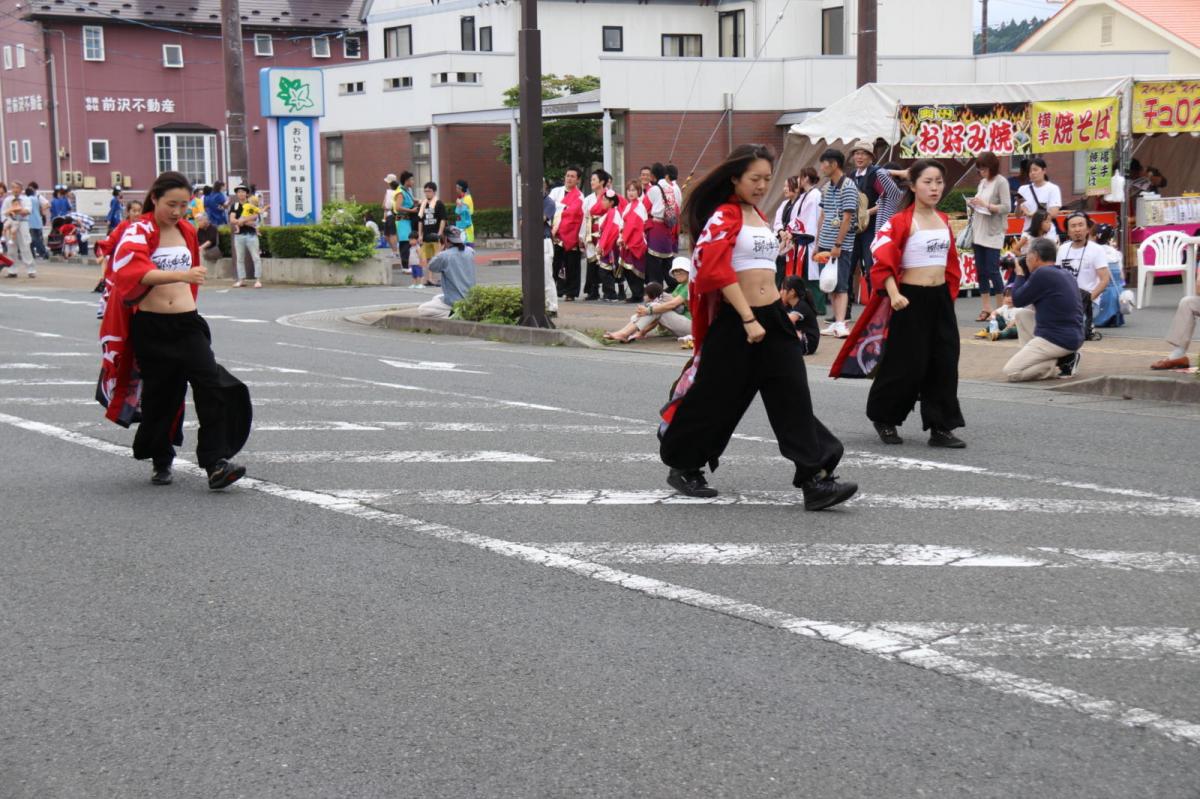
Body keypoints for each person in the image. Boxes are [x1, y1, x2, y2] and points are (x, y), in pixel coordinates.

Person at [658, 143, 856, 511]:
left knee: (792, 395)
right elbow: (716, 271)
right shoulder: (723, 215)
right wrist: (748, 318)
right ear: (734, 178)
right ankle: (684, 462)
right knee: (717, 397)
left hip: (773, 318)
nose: (763, 184)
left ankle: (814, 478)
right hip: (737, 321)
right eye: (755, 178)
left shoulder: (757, 215)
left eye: (767, 178)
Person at [98, 170, 251, 489]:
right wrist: (180, 276)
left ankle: (215, 462)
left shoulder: (186, 230)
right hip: (152, 327)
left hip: (187, 323)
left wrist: (185, 279)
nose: (178, 211)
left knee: (211, 384)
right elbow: (132, 271)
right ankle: (161, 457)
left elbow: (191, 272)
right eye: (172, 204)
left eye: (184, 204)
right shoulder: (137, 230)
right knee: (162, 396)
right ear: (154, 198)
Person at [832, 159, 964, 448]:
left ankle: (941, 426)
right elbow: (882, 260)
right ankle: (885, 417)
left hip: (939, 299)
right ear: (913, 185)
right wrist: (894, 294)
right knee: (906, 363)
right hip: (908, 299)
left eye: (938, 182)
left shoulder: (942, 219)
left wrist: (948, 297)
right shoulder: (901, 221)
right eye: (927, 182)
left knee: (944, 361)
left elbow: (951, 264)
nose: (934, 187)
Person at [1003, 237, 1084, 381]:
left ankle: (1058, 366)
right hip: (1072, 335)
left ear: (1035, 256)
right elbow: (1024, 302)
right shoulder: (1064, 273)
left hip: (1057, 338)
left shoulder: (1042, 274)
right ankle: (1062, 357)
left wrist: (1020, 274)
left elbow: (1017, 299)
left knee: (1012, 372)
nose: (1025, 259)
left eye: (1027, 256)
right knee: (1022, 315)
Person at [847, 139, 905, 298]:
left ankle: (875, 303)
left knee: (872, 265)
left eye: (863, 154)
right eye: (857, 153)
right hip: (854, 229)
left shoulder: (876, 175)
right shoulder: (851, 176)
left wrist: (866, 214)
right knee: (848, 267)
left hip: (872, 228)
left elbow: (885, 201)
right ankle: (845, 310)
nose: (859, 157)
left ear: (871, 157)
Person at [816, 148, 859, 338]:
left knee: (840, 284)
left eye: (824, 163)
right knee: (830, 283)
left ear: (833, 164)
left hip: (840, 246)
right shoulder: (827, 186)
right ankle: (836, 323)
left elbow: (847, 218)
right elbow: (823, 215)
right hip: (825, 243)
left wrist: (838, 245)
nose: (822, 168)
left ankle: (841, 323)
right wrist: (817, 243)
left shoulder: (848, 186)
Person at [968, 151, 1012, 321]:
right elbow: (980, 202)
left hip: (993, 232)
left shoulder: (1001, 182)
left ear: (992, 167)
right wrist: (973, 203)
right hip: (979, 230)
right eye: (979, 169)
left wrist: (987, 205)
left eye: (983, 168)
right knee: (981, 272)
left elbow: (1007, 207)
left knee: (993, 270)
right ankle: (986, 307)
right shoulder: (982, 183)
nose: (981, 172)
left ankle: (1001, 309)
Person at [1056, 211, 1109, 341]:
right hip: (1065, 301)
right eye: (1073, 226)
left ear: (1087, 229)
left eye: (1081, 225)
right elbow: (1057, 277)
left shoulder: (1097, 250)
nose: (1077, 229)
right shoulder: (1062, 249)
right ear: (1067, 231)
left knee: (1071, 330)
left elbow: (1104, 280)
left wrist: (1088, 300)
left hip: (1088, 303)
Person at [416, 226, 476, 318]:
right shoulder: (470, 251)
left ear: (446, 239)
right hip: (470, 298)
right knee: (436, 298)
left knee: (422, 309)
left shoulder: (444, 256)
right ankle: (457, 311)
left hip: (455, 301)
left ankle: (453, 315)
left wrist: (438, 250)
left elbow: (431, 266)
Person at [550, 167, 585, 300]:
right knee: (556, 264)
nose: (569, 178)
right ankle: (556, 290)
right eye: (567, 175)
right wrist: (563, 209)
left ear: (577, 180)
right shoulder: (555, 192)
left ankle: (571, 292)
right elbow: (550, 208)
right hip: (556, 234)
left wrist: (561, 208)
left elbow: (575, 215)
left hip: (572, 234)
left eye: (572, 176)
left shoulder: (579, 196)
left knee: (572, 265)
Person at [643, 162, 678, 287]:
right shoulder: (671, 188)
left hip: (656, 226)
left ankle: (656, 288)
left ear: (653, 176)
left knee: (654, 260)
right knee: (667, 259)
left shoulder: (654, 189)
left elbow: (645, 207)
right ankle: (674, 285)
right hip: (668, 225)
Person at [618, 180, 648, 305]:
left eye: (633, 190)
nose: (631, 192)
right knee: (628, 269)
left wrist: (624, 239)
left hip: (635, 241)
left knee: (634, 269)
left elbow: (633, 225)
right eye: (629, 190)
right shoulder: (630, 205)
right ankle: (636, 293)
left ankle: (638, 294)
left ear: (639, 191)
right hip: (628, 239)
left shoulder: (638, 206)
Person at [1016, 157, 1061, 233]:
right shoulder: (1022, 189)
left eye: (1035, 170)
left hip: (1046, 233)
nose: (1032, 173)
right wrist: (1019, 204)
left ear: (1044, 170)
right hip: (1028, 232)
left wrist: (1030, 214)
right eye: (1030, 171)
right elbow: (1018, 215)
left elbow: (1053, 213)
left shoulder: (1053, 188)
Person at [229, 185, 263, 289]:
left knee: (256, 257)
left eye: (243, 192)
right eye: (239, 192)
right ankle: (241, 280)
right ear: (237, 194)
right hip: (239, 236)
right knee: (239, 258)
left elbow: (255, 217)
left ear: (246, 193)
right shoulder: (234, 206)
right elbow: (232, 220)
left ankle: (258, 280)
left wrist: (242, 221)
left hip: (251, 235)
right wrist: (245, 221)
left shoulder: (251, 204)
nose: (241, 194)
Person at [415, 181, 446, 288]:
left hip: (435, 235)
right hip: (426, 235)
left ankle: (437, 278)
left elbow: (443, 219)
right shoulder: (423, 204)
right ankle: (428, 278)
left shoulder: (439, 204)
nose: (427, 193)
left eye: (429, 191)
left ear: (434, 191)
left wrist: (440, 233)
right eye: (425, 191)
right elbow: (420, 221)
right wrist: (419, 235)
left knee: (436, 257)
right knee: (427, 258)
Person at [780, 275, 820, 355]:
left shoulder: (802, 305)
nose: (780, 292)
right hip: (799, 337)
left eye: (783, 289)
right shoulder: (789, 305)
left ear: (792, 292)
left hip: (808, 343)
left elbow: (786, 320)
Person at [2, 181, 35, 278]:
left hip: (22, 223)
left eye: (17, 188)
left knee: (25, 246)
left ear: (21, 189)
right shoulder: (8, 200)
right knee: (11, 248)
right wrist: (5, 221)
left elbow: (27, 211)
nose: (15, 190)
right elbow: (3, 212)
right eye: (13, 188)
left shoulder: (26, 199)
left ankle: (31, 270)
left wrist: (16, 209)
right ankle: (12, 270)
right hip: (10, 223)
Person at [541, 179, 559, 317]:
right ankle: (541, 305)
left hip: (544, 241)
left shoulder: (548, 202)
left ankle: (552, 306)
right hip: (533, 242)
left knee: (547, 275)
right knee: (534, 276)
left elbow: (540, 219)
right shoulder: (530, 201)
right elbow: (523, 222)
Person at [395, 171, 417, 272]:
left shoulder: (408, 190)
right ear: (406, 181)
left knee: (408, 241)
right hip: (402, 220)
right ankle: (405, 266)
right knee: (405, 242)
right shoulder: (400, 192)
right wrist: (411, 210)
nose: (413, 181)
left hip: (408, 220)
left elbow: (411, 201)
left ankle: (407, 265)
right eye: (412, 179)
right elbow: (398, 207)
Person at [26, 183, 50, 259]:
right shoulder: (36, 198)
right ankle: (31, 254)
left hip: (30, 222)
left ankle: (44, 253)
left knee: (34, 239)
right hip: (38, 221)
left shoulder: (27, 199)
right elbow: (45, 205)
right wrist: (42, 210)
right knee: (35, 239)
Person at [382, 173, 400, 258]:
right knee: (387, 235)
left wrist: (385, 206)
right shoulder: (395, 191)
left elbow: (385, 205)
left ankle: (395, 251)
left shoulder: (391, 192)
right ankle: (394, 251)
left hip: (391, 215)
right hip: (390, 215)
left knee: (391, 234)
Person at [454, 179, 475, 244]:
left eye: (457, 187)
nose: (456, 189)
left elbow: (462, 212)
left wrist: (460, 204)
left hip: (466, 229)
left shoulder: (467, 198)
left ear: (461, 188)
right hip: (460, 228)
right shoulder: (460, 198)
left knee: (467, 251)